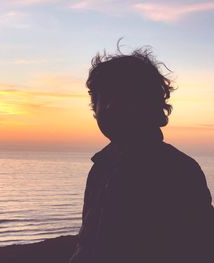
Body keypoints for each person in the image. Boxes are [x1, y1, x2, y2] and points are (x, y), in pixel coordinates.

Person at [69, 47, 214, 263]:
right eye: (103, 97)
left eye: (124, 97)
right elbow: (88, 243)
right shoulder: (100, 167)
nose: (110, 105)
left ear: (151, 104)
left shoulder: (177, 171)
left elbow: (199, 247)